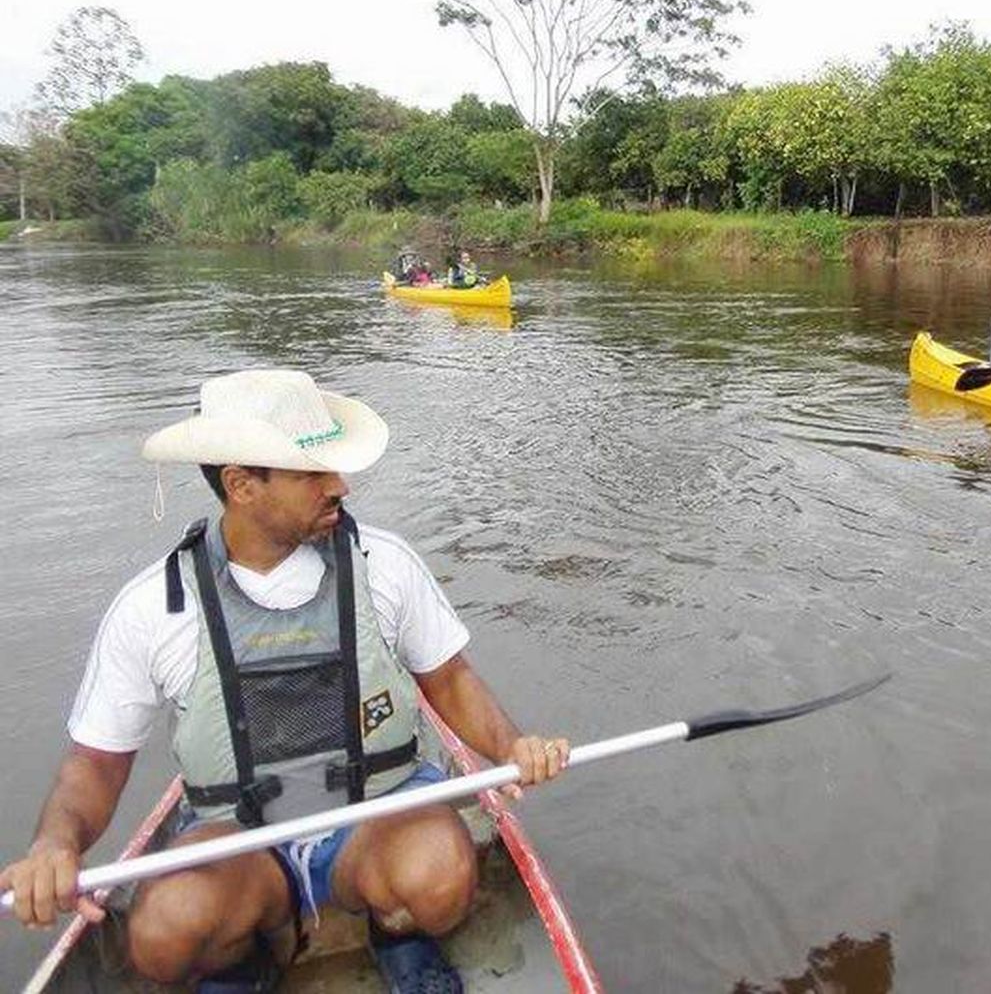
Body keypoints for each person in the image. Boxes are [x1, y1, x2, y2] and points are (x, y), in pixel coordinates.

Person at [0, 370, 570, 993]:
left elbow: (451, 678)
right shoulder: (154, 607)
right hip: (241, 844)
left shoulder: (385, 564)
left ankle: (398, 933)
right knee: (161, 934)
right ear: (242, 486)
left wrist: (513, 747)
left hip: (375, 820)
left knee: (440, 875)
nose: (340, 486)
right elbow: (96, 763)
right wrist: (56, 844)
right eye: (312, 474)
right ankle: (249, 955)